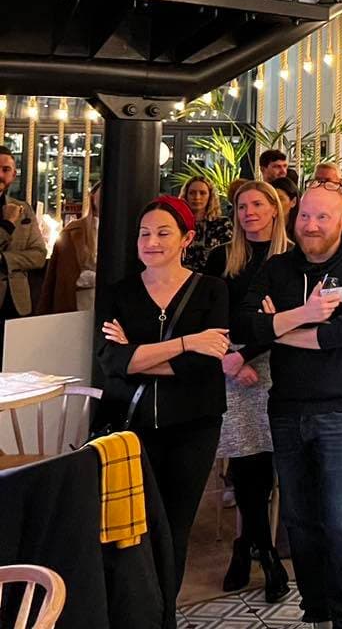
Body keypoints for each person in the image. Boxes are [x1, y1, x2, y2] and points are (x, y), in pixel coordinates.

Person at [237, 182, 342, 629]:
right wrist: (304, 316)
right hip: (285, 407)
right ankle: (315, 610)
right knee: (299, 520)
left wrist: (276, 327)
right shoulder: (278, 267)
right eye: (305, 216)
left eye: (323, 217)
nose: (312, 225)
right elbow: (246, 323)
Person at [97, 196, 229, 587]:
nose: (151, 242)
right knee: (130, 528)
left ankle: (164, 614)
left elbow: (206, 365)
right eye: (144, 234)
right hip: (129, 424)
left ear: (186, 238)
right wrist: (188, 343)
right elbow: (111, 362)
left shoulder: (211, 290)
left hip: (193, 424)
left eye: (163, 233)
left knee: (174, 525)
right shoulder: (118, 292)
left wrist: (137, 353)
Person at [206, 180, 291, 602]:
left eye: (258, 204)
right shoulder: (223, 257)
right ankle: (265, 554)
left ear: (275, 209)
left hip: (279, 364)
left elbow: (292, 320)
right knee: (246, 464)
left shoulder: (293, 257)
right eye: (242, 206)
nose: (249, 212)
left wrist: (251, 353)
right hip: (230, 365)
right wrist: (231, 359)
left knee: (271, 462)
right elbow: (211, 315)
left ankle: (248, 545)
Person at [0, 147, 46, 350]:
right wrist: (8, 224)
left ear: (13, 174)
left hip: (17, 301)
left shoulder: (23, 208)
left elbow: (39, 255)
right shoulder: (13, 214)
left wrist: (5, 260)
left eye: (5, 169)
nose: (0, 174)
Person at [38, 181, 99, 315]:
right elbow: (52, 278)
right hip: (76, 305)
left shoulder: (128, 233)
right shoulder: (72, 231)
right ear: (93, 197)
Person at [182, 176, 233, 273]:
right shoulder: (177, 224)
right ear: (185, 195)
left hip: (212, 278)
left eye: (202, 193)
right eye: (192, 193)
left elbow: (229, 257)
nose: (197, 197)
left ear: (210, 196)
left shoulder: (222, 224)